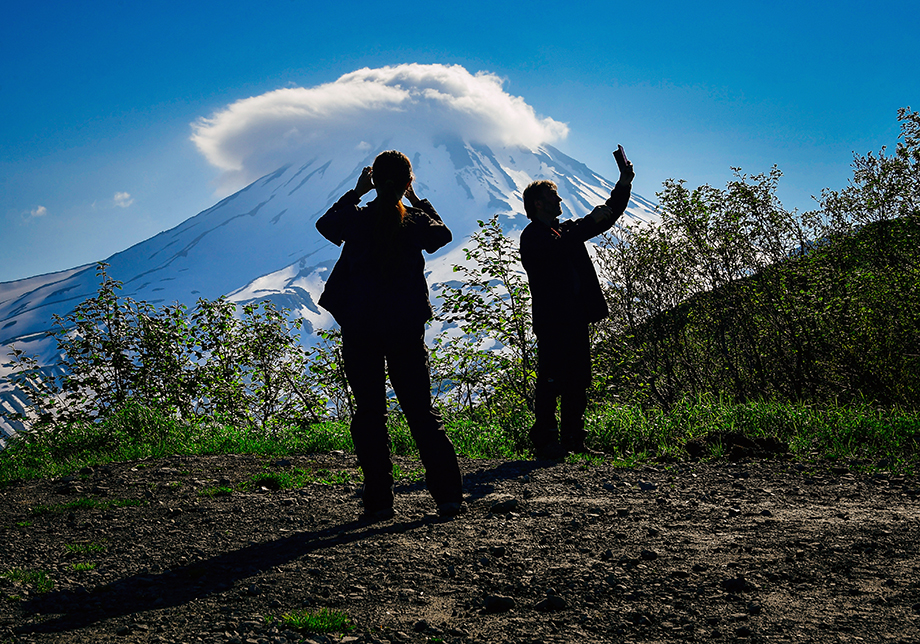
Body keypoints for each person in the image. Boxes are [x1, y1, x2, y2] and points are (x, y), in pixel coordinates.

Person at [316, 150, 464, 521]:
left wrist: (356, 192)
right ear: (408, 182)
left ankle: (379, 501)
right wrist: (417, 200)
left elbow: (325, 225)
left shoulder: (357, 218)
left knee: (370, 413)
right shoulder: (414, 222)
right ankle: (447, 496)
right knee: (420, 412)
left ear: (373, 181)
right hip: (405, 328)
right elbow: (442, 233)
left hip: (361, 328)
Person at [520, 151, 635, 459]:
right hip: (554, 320)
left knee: (577, 381)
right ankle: (545, 441)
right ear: (539, 204)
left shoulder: (563, 230)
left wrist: (623, 185)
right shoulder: (533, 236)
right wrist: (588, 224)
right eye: (553, 197)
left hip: (574, 318)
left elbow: (607, 215)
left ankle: (573, 439)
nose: (560, 202)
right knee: (551, 380)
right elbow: (560, 249)